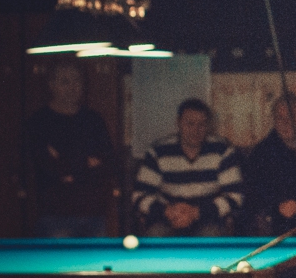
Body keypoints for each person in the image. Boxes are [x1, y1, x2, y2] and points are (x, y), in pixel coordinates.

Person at [26, 61, 114, 238]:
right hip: (55, 216)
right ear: (52, 85)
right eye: (65, 81)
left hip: (93, 214)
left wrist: (66, 163)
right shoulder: (39, 121)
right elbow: (48, 167)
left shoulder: (93, 120)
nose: (72, 87)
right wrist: (85, 163)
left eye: (76, 81)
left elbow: (107, 163)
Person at [134, 98, 246, 237]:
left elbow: (235, 196)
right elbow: (139, 196)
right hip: (167, 219)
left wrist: (196, 213)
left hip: (208, 219)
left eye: (202, 124)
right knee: (155, 234)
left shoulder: (223, 150)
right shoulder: (158, 151)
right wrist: (168, 211)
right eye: (190, 124)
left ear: (208, 126)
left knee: (211, 235)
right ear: (178, 123)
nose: (196, 130)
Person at [243, 94, 296, 236]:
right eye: (280, 118)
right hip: (281, 222)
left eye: (291, 117)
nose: (286, 123)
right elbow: (252, 196)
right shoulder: (261, 153)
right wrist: (277, 207)